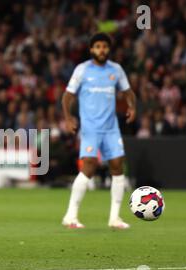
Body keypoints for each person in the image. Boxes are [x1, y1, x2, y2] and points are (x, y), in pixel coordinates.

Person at [61, 33, 136, 229]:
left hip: (111, 129)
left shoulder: (116, 70)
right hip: (91, 128)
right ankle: (70, 215)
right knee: (89, 166)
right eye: (97, 46)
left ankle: (114, 218)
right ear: (91, 49)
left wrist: (132, 107)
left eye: (104, 46)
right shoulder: (82, 70)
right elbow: (67, 97)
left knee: (118, 166)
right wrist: (68, 118)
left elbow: (128, 93)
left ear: (108, 49)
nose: (101, 50)